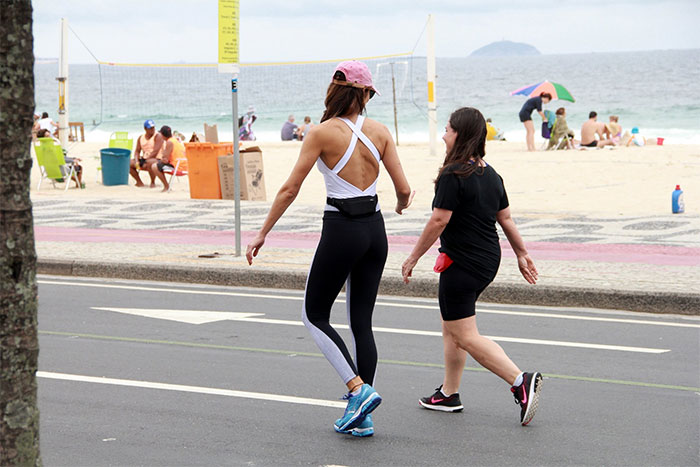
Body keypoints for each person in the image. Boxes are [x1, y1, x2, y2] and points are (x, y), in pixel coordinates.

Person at [245, 60, 413, 437]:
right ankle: (362, 417)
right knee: (361, 323)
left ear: (336, 90)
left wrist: (262, 233)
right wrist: (402, 206)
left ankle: (357, 391)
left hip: (341, 230)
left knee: (314, 314)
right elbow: (403, 190)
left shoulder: (322, 133)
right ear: (364, 93)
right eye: (369, 93)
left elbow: (290, 188)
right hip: (376, 230)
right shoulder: (381, 132)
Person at [401, 107, 543, 426]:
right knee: (452, 326)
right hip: (487, 260)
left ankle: (520, 380)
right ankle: (448, 394)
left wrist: (412, 257)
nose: (443, 135)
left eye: (448, 130)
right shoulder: (491, 174)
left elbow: (439, 219)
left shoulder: (454, 174)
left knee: (464, 334)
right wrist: (521, 253)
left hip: (463, 263)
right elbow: (504, 218)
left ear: (460, 135)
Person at [149, 125, 187, 192]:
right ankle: (166, 186)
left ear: (163, 135)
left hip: (178, 166)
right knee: (158, 163)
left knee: (154, 166)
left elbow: (165, 160)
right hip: (184, 165)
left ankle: (166, 186)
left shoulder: (169, 142)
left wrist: (162, 157)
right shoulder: (175, 140)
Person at [130, 119, 164, 187]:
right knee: (128, 163)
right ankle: (139, 182)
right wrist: (137, 160)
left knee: (149, 162)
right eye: (150, 128)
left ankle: (152, 182)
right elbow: (137, 151)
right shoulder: (141, 137)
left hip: (157, 159)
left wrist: (145, 160)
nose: (152, 129)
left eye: (153, 127)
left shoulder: (158, 136)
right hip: (145, 158)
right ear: (145, 128)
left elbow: (155, 151)